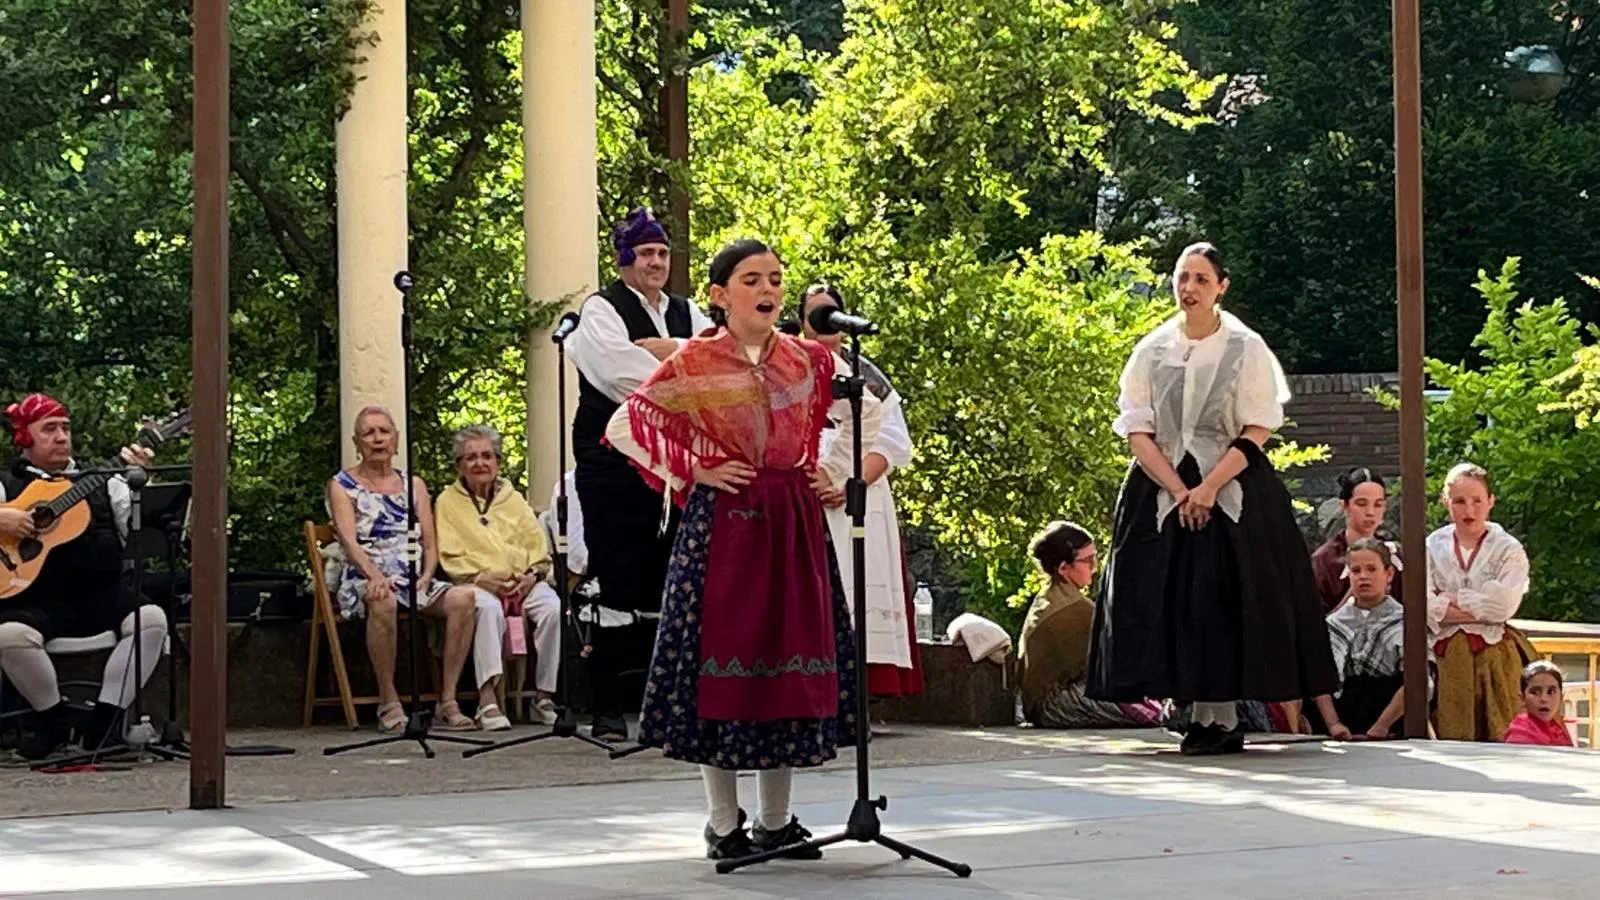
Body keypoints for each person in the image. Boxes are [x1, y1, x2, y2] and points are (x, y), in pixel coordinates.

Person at [606, 239, 879, 860]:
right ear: (720, 295)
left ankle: (775, 822)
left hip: (790, 522)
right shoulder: (695, 361)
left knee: (785, 670)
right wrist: (695, 468)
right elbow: (627, 425)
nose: (768, 289)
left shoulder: (806, 361)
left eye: (776, 279)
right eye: (752, 278)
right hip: (724, 528)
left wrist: (831, 471)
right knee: (721, 671)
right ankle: (723, 824)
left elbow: (871, 413)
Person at [1087, 242, 1338, 756]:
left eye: (1201, 279)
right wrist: (1179, 490)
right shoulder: (1152, 348)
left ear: (1222, 286)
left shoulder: (1245, 347)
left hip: (1232, 482)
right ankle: (1188, 706)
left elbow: (1258, 424)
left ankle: (1220, 715)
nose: (1189, 288)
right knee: (1167, 594)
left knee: (1223, 596)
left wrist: (1208, 487)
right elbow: (1138, 428)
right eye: (1182, 277)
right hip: (1162, 486)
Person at [565, 206, 714, 742]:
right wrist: (684, 365)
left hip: (674, 466)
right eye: (646, 253)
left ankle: (664, 702)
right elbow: (621, 373)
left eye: (662, 253)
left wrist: (671, 350)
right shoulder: (600, 310)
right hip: (614, 463)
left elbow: (716, 363)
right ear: (624, 258)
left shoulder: (688, 311)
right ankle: (606, 704)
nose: (656, 262)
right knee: (615, 576)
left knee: (671, 573)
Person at [0, 393, 168, 760]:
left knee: (152, 620)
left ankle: (104, 726)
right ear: (25, 438)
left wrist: (142, 485)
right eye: (49, 429)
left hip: (99, 593)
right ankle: (53, 723)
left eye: (65, 428)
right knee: (7, 635)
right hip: (34, 598)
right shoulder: (6, 488)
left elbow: (144, 532)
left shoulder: (102, 481)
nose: (62, 436)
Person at [800, 284, 923, 698]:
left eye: (830, 314)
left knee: (858, 583)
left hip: (859, 491)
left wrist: (851, 481)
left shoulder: (864, 373)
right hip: (805, 488)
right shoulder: (789, 365)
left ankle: (861, 685)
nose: (822, 324)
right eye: (814, 314)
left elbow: (892, 440)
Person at [327, 407, 481, 733]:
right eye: (369, 433)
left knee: (464, 598)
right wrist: (375, 576)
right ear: (357, 442)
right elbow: (349, 542)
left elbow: (428, 542)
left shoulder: (414, 484)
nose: (378, 439)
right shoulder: (342, 485)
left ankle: (448, 700)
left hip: (412, 575)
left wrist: (427, 575)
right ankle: (390, 700)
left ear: (396, 439)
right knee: (382, 599)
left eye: (384, 431)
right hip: (366, 573)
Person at [435, 424, 562, 729]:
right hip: (475, 582)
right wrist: (480, 578)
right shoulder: (446, 502)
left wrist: (531, 576)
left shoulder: (514, 499)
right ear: (459, 465)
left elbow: (538, 548)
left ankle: (543, 696)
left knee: (552, 608)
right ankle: (487, 699)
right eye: (471, 458)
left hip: (521, 582)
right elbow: (449, 555)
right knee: (488, 609)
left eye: (486, 456)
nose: (479, 463)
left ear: (498, 462)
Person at [1426, 462, 1535, 742]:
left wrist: (1452, 598)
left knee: (1501, 728)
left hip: (1495, 653)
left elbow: (1503, 607)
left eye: (1477, 500)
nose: (1469, 510)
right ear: (1446, 502)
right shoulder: (1430, 545)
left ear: (1491, 501)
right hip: (1443, 656)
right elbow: (1423, 607)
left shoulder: (1507, 548)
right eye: (1460, 501)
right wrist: (1479, 605)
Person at [1017, 522, 1162, 729]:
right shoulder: (1071, 608)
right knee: (1148, 711)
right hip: (1056, 705)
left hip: (1052, 702)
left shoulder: (1052, 598)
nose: (1094, 567)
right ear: (1064, 568)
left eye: (1095, 557)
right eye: (1087, 560)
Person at [1311, 539, 1425, 740]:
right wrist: (1334, 725)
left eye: (1372, 569)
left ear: (1389, 574)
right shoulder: (1333, 624)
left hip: (1392, 726)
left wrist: (1381, 726)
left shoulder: (1406, 622)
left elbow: (1420, 682)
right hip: (1342, 726)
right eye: (1356, 570)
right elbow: (1319, 680)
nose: (1363, 576)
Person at [1311, 467, 1405, 613]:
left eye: (1378, 504)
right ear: (1345, 506)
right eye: (1361, 504)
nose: (1370, 512)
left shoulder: (1395, 557)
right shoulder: (1324, 561)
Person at [1502, 660, 1573, 746]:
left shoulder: (1557, 728)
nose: (1544, 699)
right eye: (1535, 692)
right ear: (1523, 698)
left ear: (1561, 698)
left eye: (1551, 692)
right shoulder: (1519, 735)